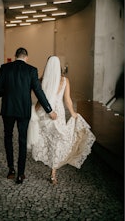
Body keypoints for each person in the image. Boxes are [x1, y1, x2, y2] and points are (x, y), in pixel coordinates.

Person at [27, 56, 96, 185]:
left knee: (46, 138)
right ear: (59, 66)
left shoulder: (41, 80)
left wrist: (33, 113)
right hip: (58, 113)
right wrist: (72, 113)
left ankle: (48, 160)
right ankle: (53, 173)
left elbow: (39, 100)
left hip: (45, 113)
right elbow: (67, 99)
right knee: (58, 140)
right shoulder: (64, 80)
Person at [0, 48, 57, 184]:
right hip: (23, 111)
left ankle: (11, 169)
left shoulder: (5, 68)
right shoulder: (31, 70)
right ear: (26, 57)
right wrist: (49, 110)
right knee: (22, 140)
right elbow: (38, 92)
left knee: (8, 137)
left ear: (15, 56)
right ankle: (21, 174)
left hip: (8, 109)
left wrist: (7, 91)